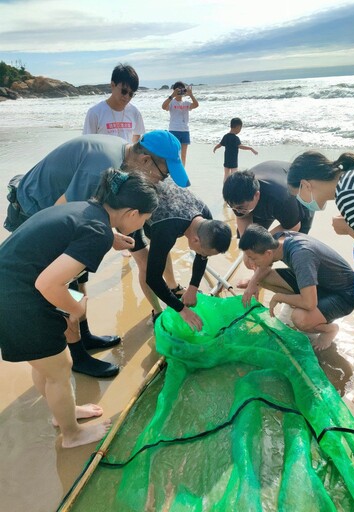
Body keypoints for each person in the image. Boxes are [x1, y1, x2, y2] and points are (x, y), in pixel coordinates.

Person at [3, 130, 189, 378]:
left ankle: (84, 337)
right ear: (145, 160)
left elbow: (87, 214)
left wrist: (108, 235)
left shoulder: (121, 156)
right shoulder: (100, 167)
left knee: (78, 278)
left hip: (59, 214)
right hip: (35, 210)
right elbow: (68, 214)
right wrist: (102, 236)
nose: (158, 182)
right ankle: (74, 355)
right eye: (162, 174)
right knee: (56, 286)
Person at [0, 169, 158, 448]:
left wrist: (110, 238)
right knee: (60, 369)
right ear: (132, 213)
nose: (141, 226)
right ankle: (72, 434)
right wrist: (76, 309)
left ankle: (66, 414)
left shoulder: (87, 209)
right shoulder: (97, 231)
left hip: (10, 286)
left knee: (47, 364)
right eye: (144, 220)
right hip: (18, 299)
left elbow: (71, 234)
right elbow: (48, 283)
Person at [287, 150, 354, 442]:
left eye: (298, 195)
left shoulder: (349, 192)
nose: (301, 202)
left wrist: (348, 230)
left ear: (307, 184)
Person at [239, 225, 354, 351]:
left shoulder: (300, 255)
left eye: (253, 258)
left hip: (344, 295)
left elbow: (310, 303)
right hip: (320, 283)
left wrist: (279, 297)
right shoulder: (277, 239)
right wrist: (252, 284)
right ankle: (304, 300)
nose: (252, 263)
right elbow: (265, 266)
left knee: (300, 319)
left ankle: (329, 329)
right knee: (262, 278)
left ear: (268, 253)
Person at [136, 181, 231, 330]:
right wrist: (182, 309)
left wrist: (193, 287)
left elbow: (202, 256)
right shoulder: (166, 229)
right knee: (146, 264)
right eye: (203, 253)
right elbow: (152, 278)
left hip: (163, 203)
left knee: (161, 251)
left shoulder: (207, 219)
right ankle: (157, 311)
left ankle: (173, 287)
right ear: (195, 240)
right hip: (133, 208)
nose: (202, 256)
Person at [223, 162, 314, 289]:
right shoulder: (236, 197)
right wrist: (247, 246)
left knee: (293, 248)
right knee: (254, 249)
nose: (236, 210)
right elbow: (242, 217)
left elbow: (293, 226)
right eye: (233, 207)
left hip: (299, 196)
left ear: (257, 195)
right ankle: (257, 280)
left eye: (240, 208)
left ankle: (296, 286)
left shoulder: (282, 198)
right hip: (267, 188)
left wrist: (261, 242)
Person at [83, 63, 145, 143]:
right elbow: (87, 143)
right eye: (124, 91)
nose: (127, 96)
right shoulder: (95, 112)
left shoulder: (135, 113)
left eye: (131, 94)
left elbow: (137, 135)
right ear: (112, 85)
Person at [161, 81, 199, 166]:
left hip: (185, 130)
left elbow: (196, 105)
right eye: (178, 90)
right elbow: (163, 107)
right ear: (174, 90)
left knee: (183, 154)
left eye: (182, 90)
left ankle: (182, 171)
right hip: (174, 129)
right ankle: (173, 171)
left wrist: (191, 95)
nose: (180, 92)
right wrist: (172, 96)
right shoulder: (171, 102)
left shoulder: (186, 103)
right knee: (174, 153)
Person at [213, 117, 258, 182]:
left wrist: (215, 148)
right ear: (237, 127)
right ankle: (232, 187)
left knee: (226, 175)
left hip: (227, 159)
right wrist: (250, 148)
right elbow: (241, 146)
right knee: (234, 175)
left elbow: (220, 144)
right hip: (233, 160)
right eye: (240, 128)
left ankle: (225, 188)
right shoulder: (235, 138)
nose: (240, 130)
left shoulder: (226, 136)